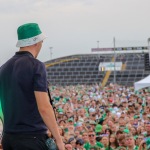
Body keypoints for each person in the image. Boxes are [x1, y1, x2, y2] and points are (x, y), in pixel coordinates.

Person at [0, 23, 64, 150]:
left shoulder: (3, 68)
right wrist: (59, 140)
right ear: (36, 42)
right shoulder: (36, 65)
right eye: (41, 41)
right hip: (31, 139)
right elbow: (44, 107)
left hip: (8, 138)